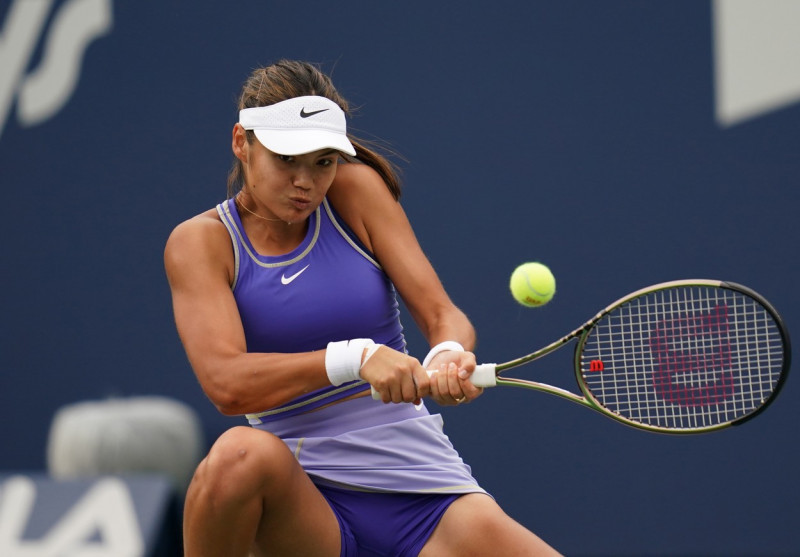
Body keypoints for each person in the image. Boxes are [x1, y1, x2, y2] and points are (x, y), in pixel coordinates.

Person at [164, 59, 560, 557]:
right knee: (238, 456)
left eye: (323, 161)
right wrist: (356, 359)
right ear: (242, 143)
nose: (306, 182)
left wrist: (448, 352)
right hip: (303, 507)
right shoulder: (201, 242)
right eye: (288, 160)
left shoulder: (355, 192)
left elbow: (443, 315)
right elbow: (225, 383)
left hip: (421, 491)